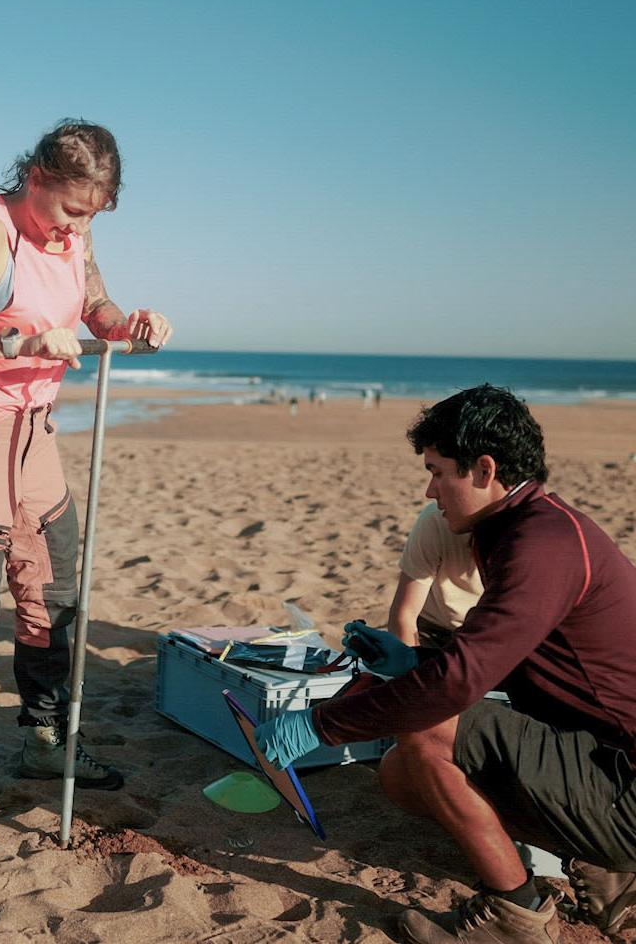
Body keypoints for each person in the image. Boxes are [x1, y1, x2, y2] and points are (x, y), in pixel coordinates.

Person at [255, 385, 636, 943]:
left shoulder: (542, 544)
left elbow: (457, 683)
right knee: (401, 779)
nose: (431, 490)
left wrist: (319, 724)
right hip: (595, 751)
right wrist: (413, 657)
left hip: (621, 775)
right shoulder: (522, 526)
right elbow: (519, 662)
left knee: (427, 724)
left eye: (438, 472)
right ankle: (605, 864)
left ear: (484, 469)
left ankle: (516, 913)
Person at [0, 120, 172, 849]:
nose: (76, 228)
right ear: (37, 182)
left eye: (91, 216)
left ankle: (45, 742)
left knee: (53, 600)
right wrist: (16, 342)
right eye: (70, 211)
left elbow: (94, 302)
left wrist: (126, 325)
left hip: (37, 437)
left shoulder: (72, 233)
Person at [387, 502, 483, 648]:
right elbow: (404, 614)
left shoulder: (525, 529)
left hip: (492, 633)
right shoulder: (438, 517)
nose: (430, 492)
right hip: (433, 630)